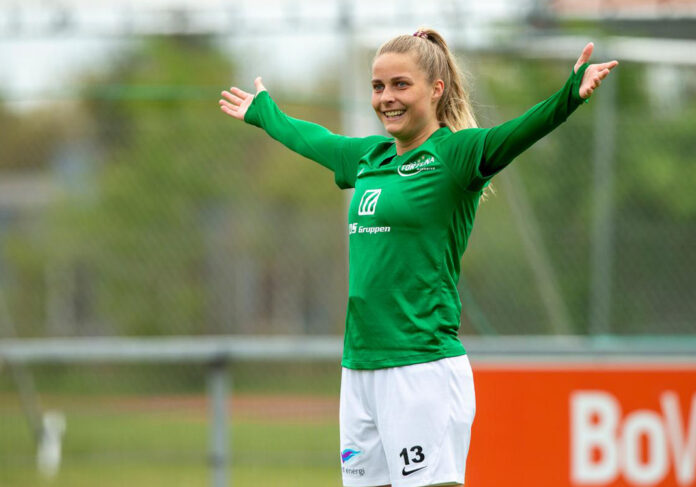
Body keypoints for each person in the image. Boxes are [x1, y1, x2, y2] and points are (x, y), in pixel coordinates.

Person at [219, 28, 618, 487]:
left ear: (436, 89)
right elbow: (312, 138)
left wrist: (569, 96)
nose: (386, 97)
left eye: (400, 84)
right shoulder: (368, 158)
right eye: (378, 86)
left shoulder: (455, 155)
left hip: (421, 369)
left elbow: (517, 133)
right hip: (360, 367)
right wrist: (264, 112)